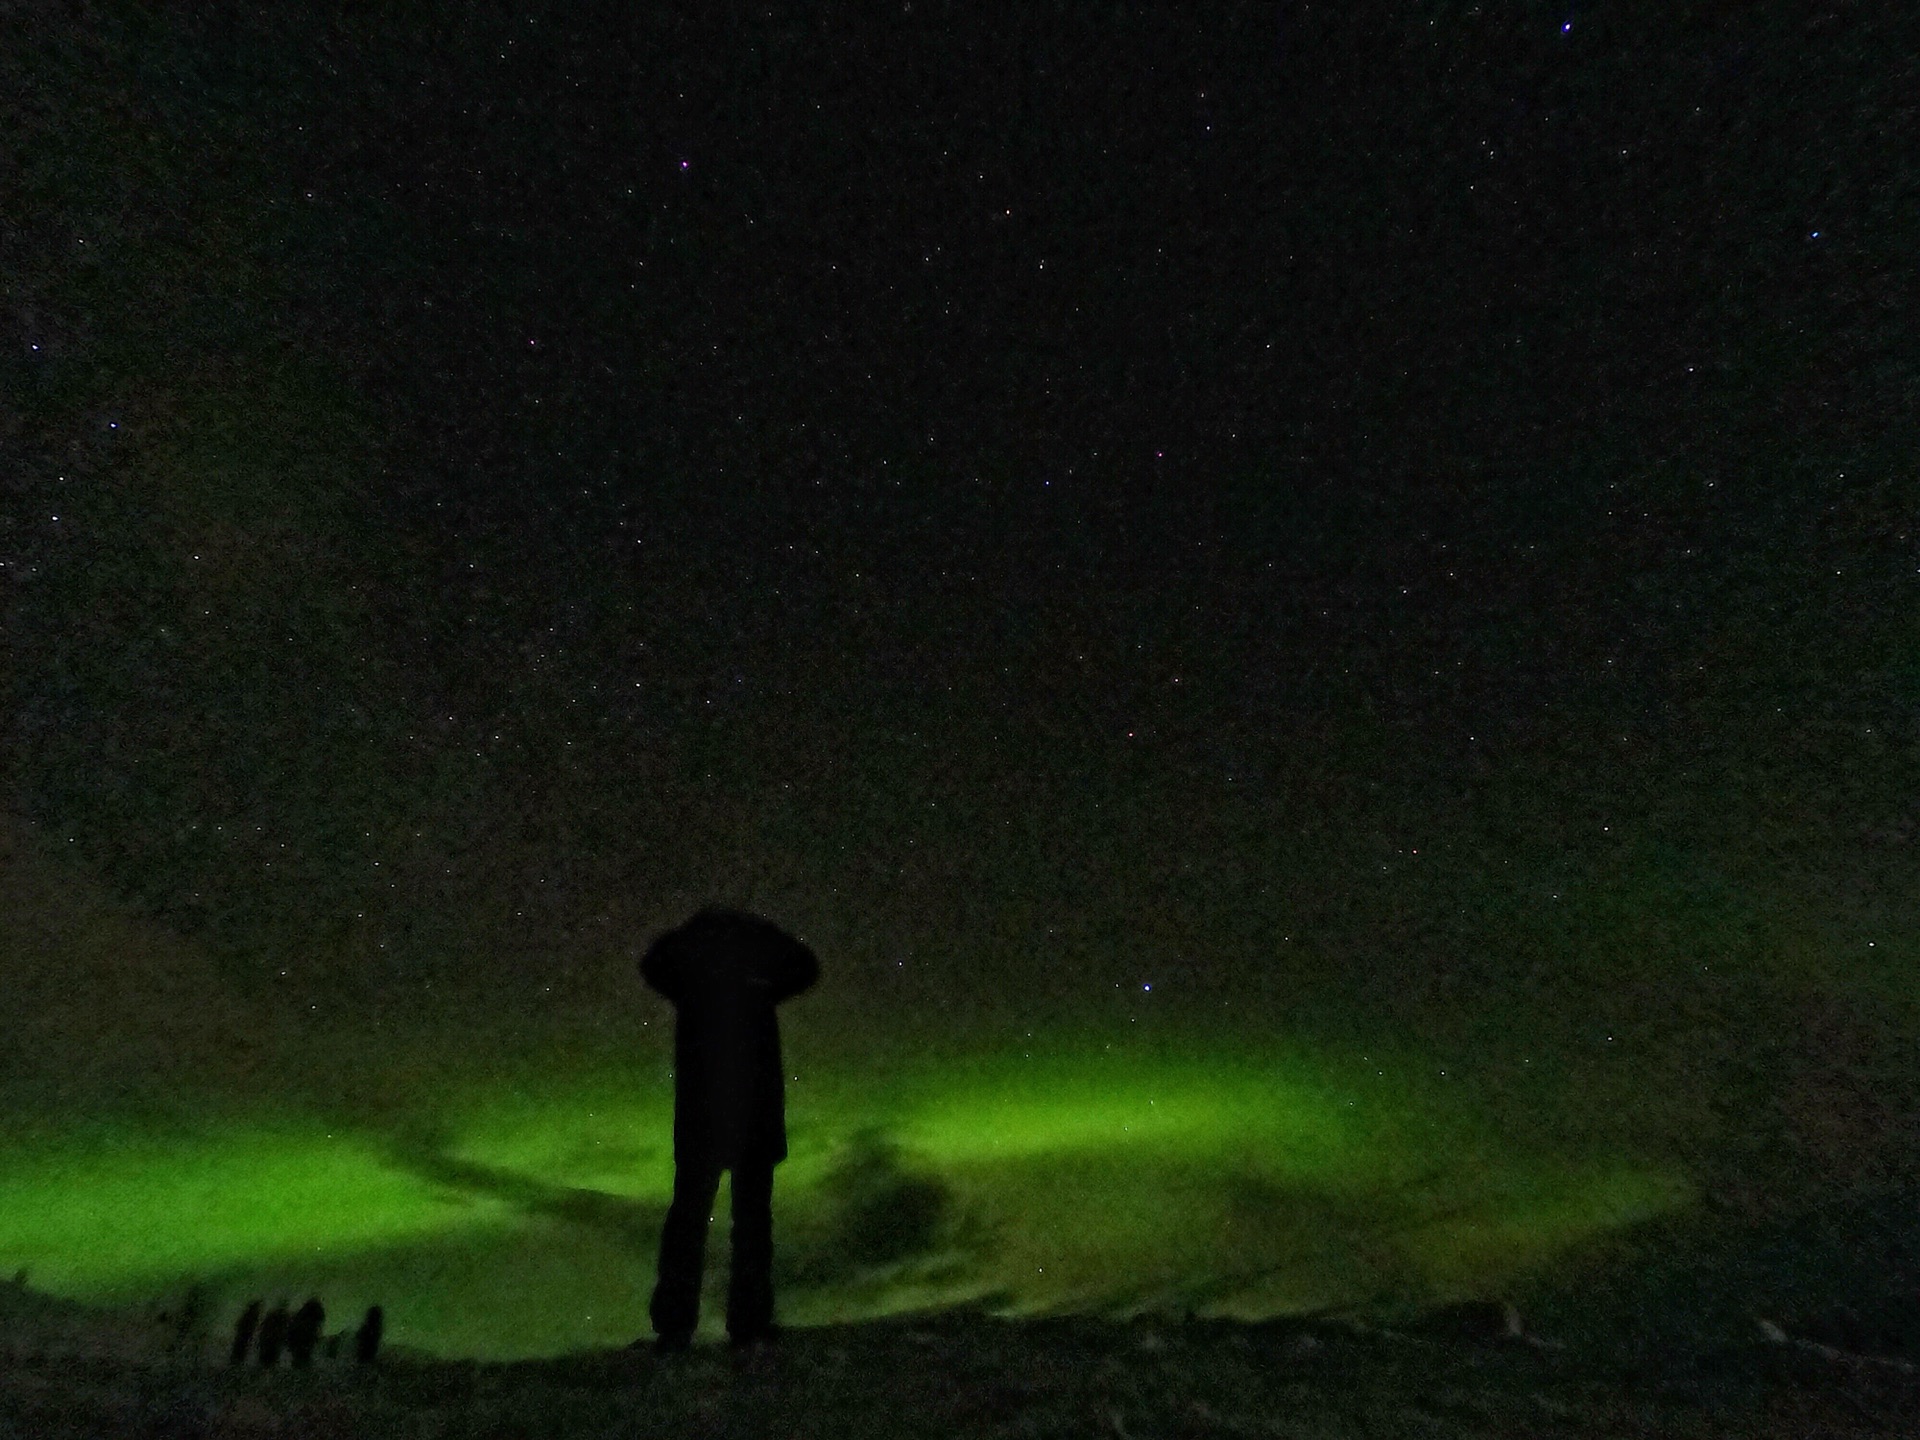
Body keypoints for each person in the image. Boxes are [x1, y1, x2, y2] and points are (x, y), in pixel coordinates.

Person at [640, 906, 818, 1352]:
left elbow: (653, 964)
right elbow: (806, 967)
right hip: (749, 1116)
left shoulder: (695, 972)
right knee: (747, 1221)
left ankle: (678, 1326)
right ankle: (747, 1323)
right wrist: (766, 990)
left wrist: (690, 990)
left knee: (692, 1219)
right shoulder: (755, 971)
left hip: (706, 1117)